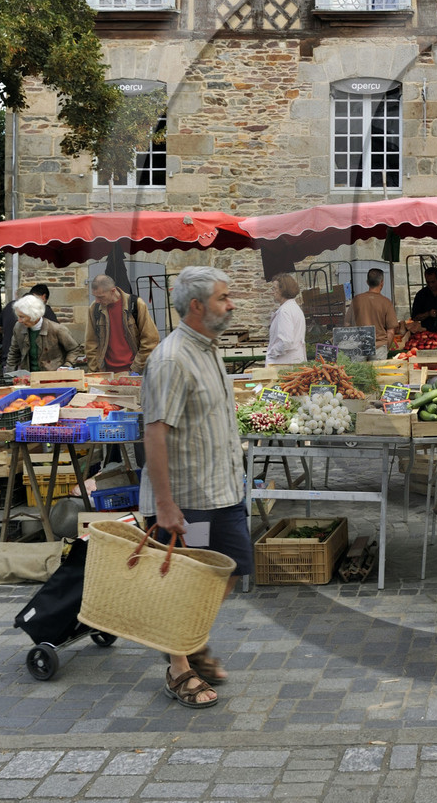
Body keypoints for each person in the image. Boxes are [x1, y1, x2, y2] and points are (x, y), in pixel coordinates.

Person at [141, 265, 248, 709]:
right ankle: (178, 667)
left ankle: (192, 638)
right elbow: (155, 433)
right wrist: (165, 505)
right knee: (183, 585)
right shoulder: (171, 358)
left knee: (232, 570)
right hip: (187, 501)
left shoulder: (209, 349)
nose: (232, 304)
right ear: (199, 305)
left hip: (223, 490)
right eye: (224, 298)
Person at [84, 275, 161, 374]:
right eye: (95, 296)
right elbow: (91, 343)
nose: (97, 301)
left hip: (133, 371)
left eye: (100, 297)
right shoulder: (94, 309)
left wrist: (136, 368)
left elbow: (151, 340)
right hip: (106, 373)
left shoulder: (136, 305)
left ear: (113, 291)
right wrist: (95, 370)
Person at [5, 294, 80, 373]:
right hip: (29, 377)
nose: (19, 320)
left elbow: (74, 349)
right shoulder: (18, 327)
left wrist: (66, 366)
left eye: (22, 317)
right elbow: (13, 353)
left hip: (53, 378)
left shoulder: (57, 329)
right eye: (18, 316)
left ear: (34, 315)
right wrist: (9, 375)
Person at [345, 268, 397, 360]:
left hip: (358, 347)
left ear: (367, 282)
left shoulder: (357, 300)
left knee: (358, 374)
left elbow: (347, 324)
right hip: (379, 347)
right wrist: (385, 347)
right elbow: (391, 331)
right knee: (377, 373)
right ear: (382, 283)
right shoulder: (386, 302)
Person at [0, 284, 57, 352]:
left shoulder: (10, 306)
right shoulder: (43, 309)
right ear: (44, 297)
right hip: (29, 358)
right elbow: (56, 333)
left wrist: (10, 332)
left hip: (7, 356)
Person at [265, 274, 306, 365]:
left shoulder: (285, 311)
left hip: (284, 364)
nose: (273, 292)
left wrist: (271, 352)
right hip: (293, 361)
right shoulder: (294, 308)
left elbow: (286, 341)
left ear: (283, 290)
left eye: (274, 289)